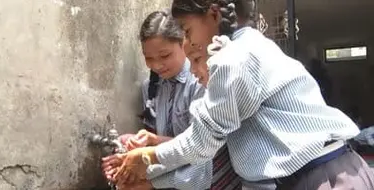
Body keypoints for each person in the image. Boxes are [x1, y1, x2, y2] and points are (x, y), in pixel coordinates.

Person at [102, 0, 374, 189]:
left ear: (213, 15)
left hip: (323, 178)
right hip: (319, 174)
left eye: (187, 31)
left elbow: (202, 143)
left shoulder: (232, 59)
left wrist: (148, 159)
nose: (187, 44)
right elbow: (230, 159)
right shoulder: (246, 47)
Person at [104, 10, 241, 189]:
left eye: (165, 56)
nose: (156, 65)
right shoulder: (151, 86)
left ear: (183, 44)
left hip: (206, 177)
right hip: (174, 174)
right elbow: (158, 141)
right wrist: (136, 145)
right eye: (149, 58)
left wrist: (150, 158)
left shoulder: (201, 81)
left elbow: (201, 148)